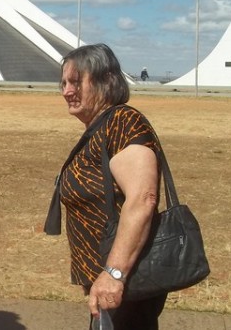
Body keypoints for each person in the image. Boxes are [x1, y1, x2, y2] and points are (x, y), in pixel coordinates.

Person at [55, 44, 165, 330]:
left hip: (124, 281)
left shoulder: (123, 122)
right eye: (64, 83)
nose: (67, 91)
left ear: (106, 82)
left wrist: (114, 274)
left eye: (77, 82)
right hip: (110, 283)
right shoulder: (102, 127)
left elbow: (143, 199)